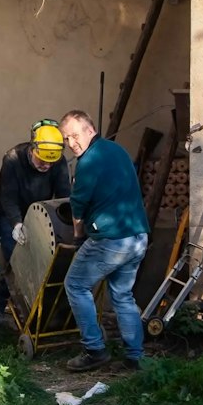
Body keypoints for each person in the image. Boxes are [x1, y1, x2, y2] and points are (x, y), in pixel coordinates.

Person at [58, 110, 149, 372]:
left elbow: (77, 206)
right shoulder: (116, 150)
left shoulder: (87, 162)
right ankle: (135, 356)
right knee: (122, 295)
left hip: (113, 240)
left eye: (75, 135)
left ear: (91, 130)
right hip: (138, 237)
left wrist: (77, 237)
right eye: (66, 139)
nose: (71, 143)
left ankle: (94, 350)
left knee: (75, 285)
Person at [0, 119, 72, 320]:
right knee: (17, 259)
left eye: (50, 162)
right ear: (33, 148)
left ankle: (36, 313)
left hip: (39, 212)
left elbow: (64, 196)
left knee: (41, 261)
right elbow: (8, 195)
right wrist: (16, 224)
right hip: (9, 213)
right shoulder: (13, 159)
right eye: (42, 161)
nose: (46, 165)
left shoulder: (58, 162)